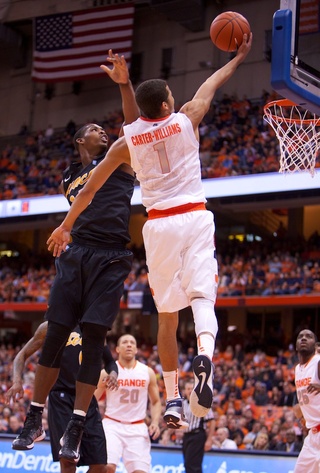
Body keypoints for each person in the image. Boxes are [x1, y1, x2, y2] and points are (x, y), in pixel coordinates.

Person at [47, 34, 252, 428]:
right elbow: (212, 83)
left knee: (167, 316)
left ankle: (174, 398)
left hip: (158, 226)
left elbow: (90, 190)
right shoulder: (187, 116)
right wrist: (240, 56)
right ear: (166, 104)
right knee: (203, 295)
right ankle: (205, 355)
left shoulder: (124, 143)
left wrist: (65, 225)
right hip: (194, 216)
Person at [11, 50, 140, 463]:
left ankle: (79, 422)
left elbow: (135, 125)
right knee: (56, 331)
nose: (104, 132)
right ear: (79, 140)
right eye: (96, 129)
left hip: (111, 254)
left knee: (94, 338)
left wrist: (124, 84)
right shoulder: (69, 174)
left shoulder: (118, 157)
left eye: (106, 129)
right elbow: (80, 198)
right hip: (76, 253)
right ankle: (34, 416)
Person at [5, 322, 118, 473]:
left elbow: (110, 362)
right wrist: (17, 381)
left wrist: (113, 374)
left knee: (100, 465)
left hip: (87, 399)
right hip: (61, 399)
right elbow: (22, 354)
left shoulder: (94, 327)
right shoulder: (50, 325)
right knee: (68, 463)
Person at [95, 334, 162, 473]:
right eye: (125, 342)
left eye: (132, 342)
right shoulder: (106, 373)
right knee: (107, 468)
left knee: (140, 471)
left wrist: (155, 422)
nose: (129, 345)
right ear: (118, 349)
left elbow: (155, 401)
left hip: (137, 427)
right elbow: (91, 399)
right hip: (112, 425)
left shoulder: (147, 372)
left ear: (137, 349)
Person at [293, 329, 320, 473]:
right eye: (300, 337)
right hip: (312, 436)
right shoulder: (298, 369)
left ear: (315, 346)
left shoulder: (318, 362)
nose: (303, 338)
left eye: (309, 337)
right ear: (296, 346)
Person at [181, 379, 216, 473]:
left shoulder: (202, 403)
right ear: (184, 391)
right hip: (186, 436)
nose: (189, 391)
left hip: (197, 435)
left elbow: (212, 421)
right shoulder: (183, 403)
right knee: (187, 464)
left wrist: (209, 440)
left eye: (191, 388)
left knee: (193, 465)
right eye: (187, 389)